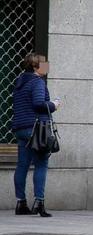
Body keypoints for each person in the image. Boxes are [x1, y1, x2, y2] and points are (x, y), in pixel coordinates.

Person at [12, 53, 61, 217]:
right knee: (41, 164)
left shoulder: (19, 82)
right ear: (35, 66)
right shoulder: (37, 82)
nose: (46, 65)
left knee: (22, 165)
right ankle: (39, 202)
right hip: (36, 128)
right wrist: (54, 104)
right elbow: (39, 104)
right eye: (44, 63)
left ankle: (21, 203)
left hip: (21, 128)